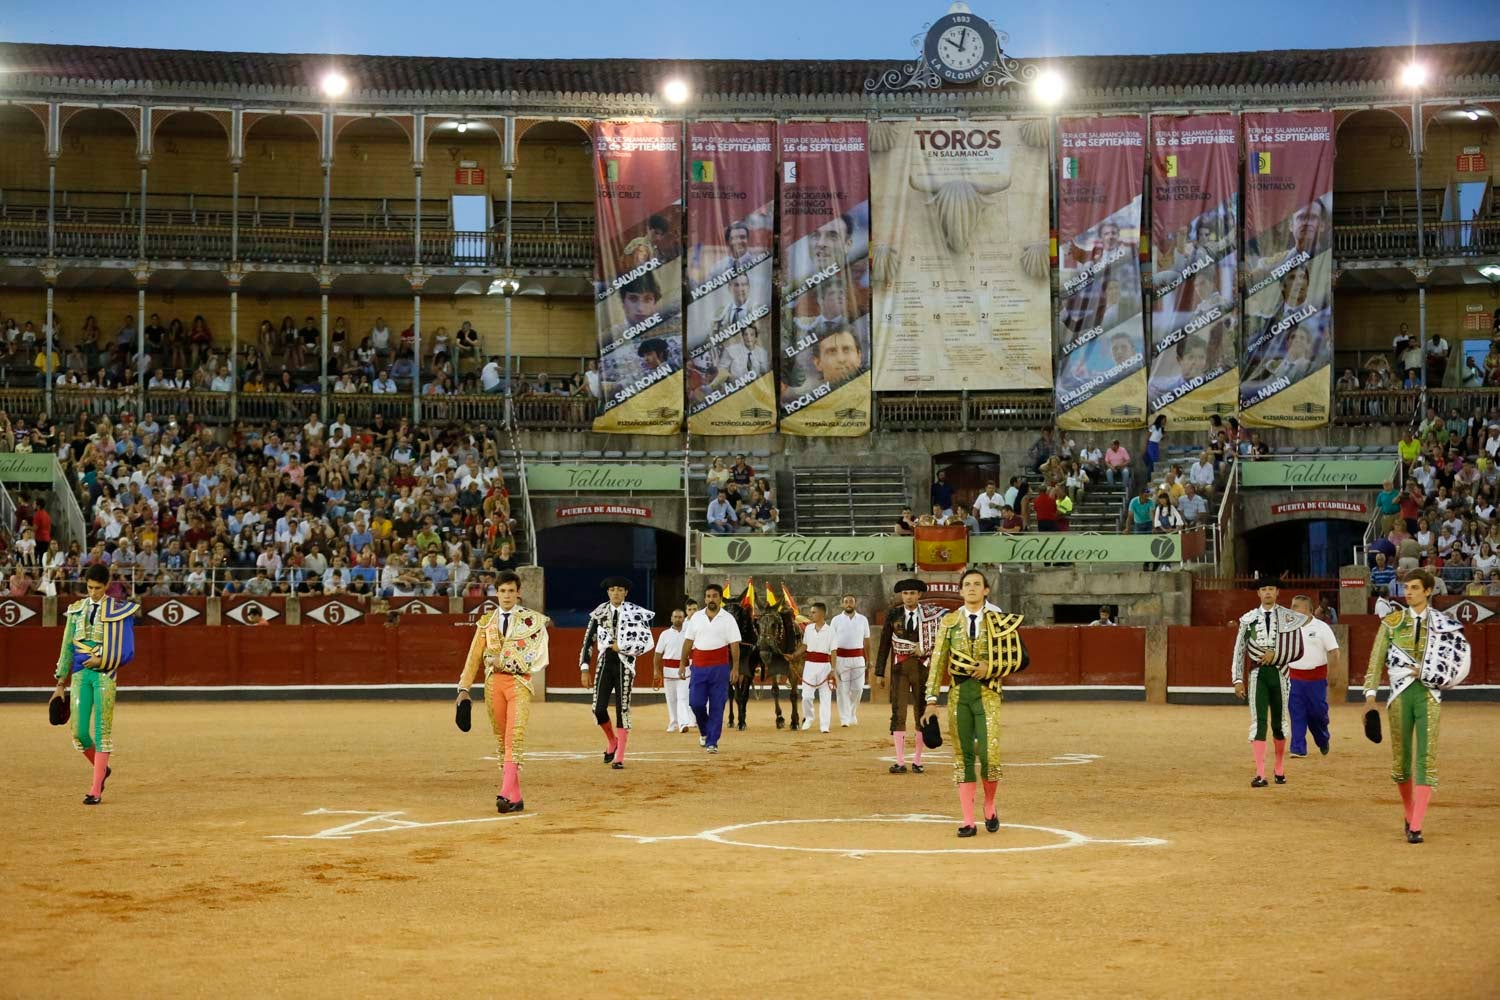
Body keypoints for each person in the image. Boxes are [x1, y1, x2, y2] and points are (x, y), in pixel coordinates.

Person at [1364, 568, 1469, 843]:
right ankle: (1410, 812)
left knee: (1426, 759)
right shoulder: (1392, 622)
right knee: (1401, 761)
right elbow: (1376, 661)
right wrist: (1370, 698)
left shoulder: (1443, 624)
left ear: (1428, 591)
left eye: (1413, 588)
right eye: (1406, 588)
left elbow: (1455, 661)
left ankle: (1416, 825)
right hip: (1399, 696)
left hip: (1429, 696)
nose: (1408, 592)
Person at [923, 569, 1028, 838]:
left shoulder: (999, 621)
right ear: (960, 591)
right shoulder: (949, 622)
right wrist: (931, 700)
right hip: (959, 696)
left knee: (990, 754)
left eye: (976, 584)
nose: (971, 588)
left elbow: (1020, 658)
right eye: (966, 584)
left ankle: (990, 804)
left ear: (986, 591)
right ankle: (968, 820)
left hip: (988, 695)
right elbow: (938, 662)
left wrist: (990, 666)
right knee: (964, 756)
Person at [455, 571, 548, 814]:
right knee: (502, 741)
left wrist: (505, 662)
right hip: (492, 685)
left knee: (514, 739)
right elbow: (474, 656)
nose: (507, 595)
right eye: (503, 591)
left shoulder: (532, 622)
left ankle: (504, 793)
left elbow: (537, 656)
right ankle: (516, 798)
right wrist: (463, 688)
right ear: (496, 593)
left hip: (519, 684)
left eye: (511, 591)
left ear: (518, 593)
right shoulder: (487, 622)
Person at [50, 563, 139, 805]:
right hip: (80, 674)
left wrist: (102, 659)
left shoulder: (119, 610)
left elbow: (128, 650)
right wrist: (60, 682)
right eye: (89, 588)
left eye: (98, 588)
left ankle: (95, 789)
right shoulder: (76, 610)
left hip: (104, 674)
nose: (93, 593)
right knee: (79, 733)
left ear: (107, 586)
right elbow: (67, 646)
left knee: (102, 731)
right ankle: (102, 769)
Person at [1231, 574, 1310, 788]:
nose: (1267, 592)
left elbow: (1297, 648)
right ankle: (1260, 773)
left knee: (1279, 723)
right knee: (1259, 723)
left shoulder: (1288, 617)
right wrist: (1237, 679)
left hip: (1281, 674)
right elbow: (1239, 651)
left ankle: (1279, 768)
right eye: (1263, 589)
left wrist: (1275, 656)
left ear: (1277, 592)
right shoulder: (1247, 619)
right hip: (1258, 675)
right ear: (1258, 593)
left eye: (1271, 588)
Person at [578, 576, 656, 769]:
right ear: (608, 592)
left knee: (622, 708)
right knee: (598, 708)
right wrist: (585, 668)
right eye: (612, 589)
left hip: (625, 664)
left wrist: (622, 646)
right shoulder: (599, 613)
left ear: (626, 593)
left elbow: (645, 640)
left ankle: (619, 755)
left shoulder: (634, 613)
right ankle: (612, 740)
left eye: (620, 590)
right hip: (605, 663)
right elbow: (588, 642)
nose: (616, 593)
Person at [875, 578, 944, 774]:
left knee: (921, 712)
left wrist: (925, 649)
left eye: (912, 593)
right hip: (900, 668)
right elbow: (885, 643)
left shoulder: (929, 615)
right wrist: (879, 672)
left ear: (919, 595)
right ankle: (899, 761)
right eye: (905, 593)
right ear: (901, 595)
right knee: (899, 712)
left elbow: (939, 641)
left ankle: (917, 760)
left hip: (923, 668)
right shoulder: (893, 614)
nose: (909, 597)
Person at [681, 583, 742, 754]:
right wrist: (682, 662)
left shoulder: (728, 619)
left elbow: (735, 645)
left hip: (720, 668)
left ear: (720, 598)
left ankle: (712, 742)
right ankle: (705, 731)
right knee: (696, 703)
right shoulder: (696, 618)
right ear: (705, 598)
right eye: (708, 596)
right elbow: (688, 642)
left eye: (715, 596)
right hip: (698, 667)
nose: (711, 599)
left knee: (717, 705)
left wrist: (735, 668)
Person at [1287, 595, 1340, 758]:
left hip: (1316, 679)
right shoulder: (1287, 628)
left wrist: (1334, 672)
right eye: (1292, 606)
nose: (1292, 609)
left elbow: (1333, 651)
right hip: (1294, 678)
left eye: (1297, 606)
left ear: (1309, 611)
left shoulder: (1322, 627)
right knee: (1296, 713)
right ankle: (1298, 747)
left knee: (1317, 713)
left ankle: (1322, 738)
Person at [793, 601, 836, 733]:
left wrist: (833, 670)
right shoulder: (808, 629)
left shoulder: (830, 631)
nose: (811, 615)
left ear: (822, 613)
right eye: (811, 612)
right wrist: (794, 656)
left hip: (824, 666)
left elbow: (834, 651)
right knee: (806, 696)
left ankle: (824, 725)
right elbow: (805, 646)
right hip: (810, 666)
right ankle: (809, 718)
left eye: (813, 612)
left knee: (825, 697)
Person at [830, 593, 871, 727]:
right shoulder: (836, 620)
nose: (848, 604)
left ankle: (852, 712)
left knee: (858, 688)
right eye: (846, 602)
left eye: (851, 601)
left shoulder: (863, 620)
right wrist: (832, 662)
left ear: (855, 603)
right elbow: (831, 642)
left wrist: (868, 659)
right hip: (841, 658)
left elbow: (867, 641)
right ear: (842, 604)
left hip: (858, 659)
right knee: (842, 690)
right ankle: (844, 718)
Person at [654, 608, 692, 734]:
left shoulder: (689, 634)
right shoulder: (665, 634)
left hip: (684, 670)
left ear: (683, 618)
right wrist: (656, 671)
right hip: (668, 671)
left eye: (680, 617)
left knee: (683, 697)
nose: (678, 619)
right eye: (675, 617)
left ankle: (683, 723)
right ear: (671, 618)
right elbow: (658, 654)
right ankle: (673, 722)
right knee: (671, 699)